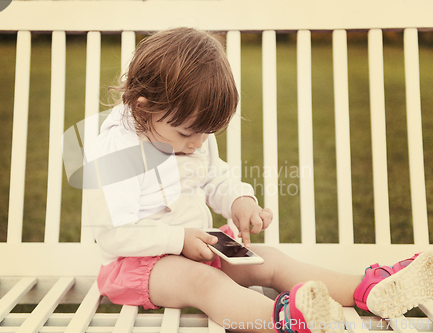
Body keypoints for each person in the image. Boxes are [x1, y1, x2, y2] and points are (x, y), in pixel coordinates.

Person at [85, 27, 433, 333]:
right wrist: (178, 239)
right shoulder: (117, 151)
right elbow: (113, 234)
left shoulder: (184, 131)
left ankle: (370, 289)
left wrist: (239, 200)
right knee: (204, 282)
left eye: (207, 133)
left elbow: (214, 175)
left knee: (267, 260)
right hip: (135, 266)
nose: (198, 144)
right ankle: (284, 321)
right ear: (145, 109)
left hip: (196, 247)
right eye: (188, 133)